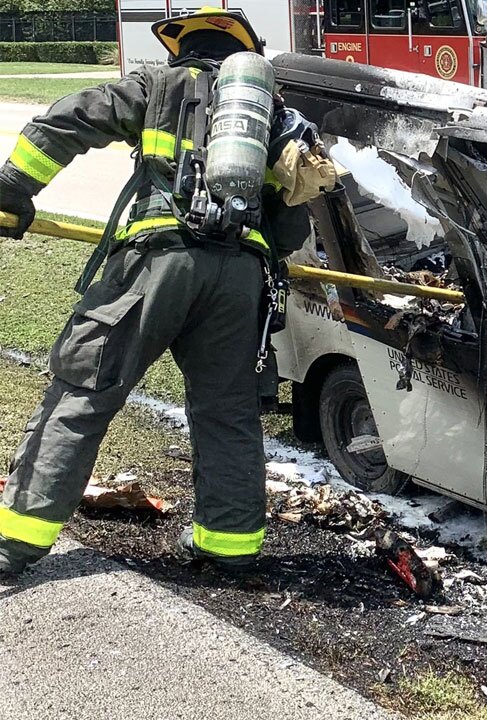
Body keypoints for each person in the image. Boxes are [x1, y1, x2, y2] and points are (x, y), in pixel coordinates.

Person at [0, 8, 324, 577]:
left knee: (84, 390)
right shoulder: (273, 118)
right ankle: (228, 551)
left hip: (157, 264)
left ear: (181, 51)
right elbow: (294, 221)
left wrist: (13, 187)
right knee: (228, 414)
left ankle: (14, 542)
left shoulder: (158, 85)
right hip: (240, 279)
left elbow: (68, 120)